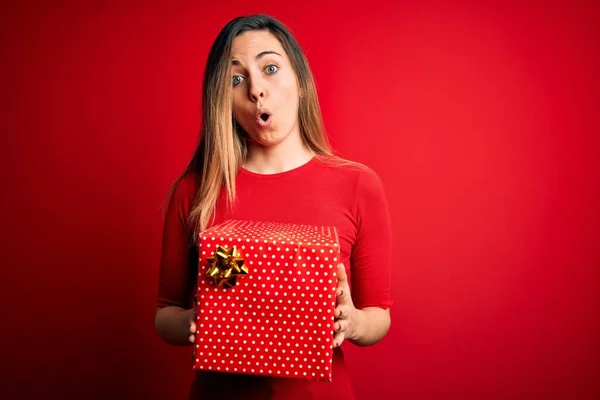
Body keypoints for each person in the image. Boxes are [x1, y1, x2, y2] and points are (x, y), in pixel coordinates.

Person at [154, 14, 393, 400]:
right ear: (224, 101)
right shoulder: (194, 191)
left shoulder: (359, 185)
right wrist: (193, 322)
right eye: (236, 79)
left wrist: (352, 322)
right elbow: (165, 314)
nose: (255, 90)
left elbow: (378, 316)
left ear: (300, 82)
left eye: (269, 68)